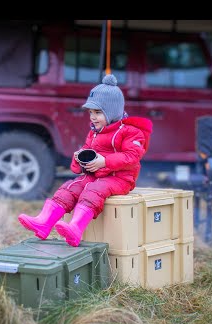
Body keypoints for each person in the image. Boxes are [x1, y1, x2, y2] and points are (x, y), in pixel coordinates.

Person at [18, 74, 153, 247]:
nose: (93, 117)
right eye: (91, 112)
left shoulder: (130, 132)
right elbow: (87, 150)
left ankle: (76, 228)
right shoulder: (94, 132)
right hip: (96, 174)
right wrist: (79, 159)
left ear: (112, 112)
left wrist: (104, 161)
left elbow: (132, 156)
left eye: (98, 112)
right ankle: (44, 223)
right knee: (70, 187)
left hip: (120, 178)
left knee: (94, 190)